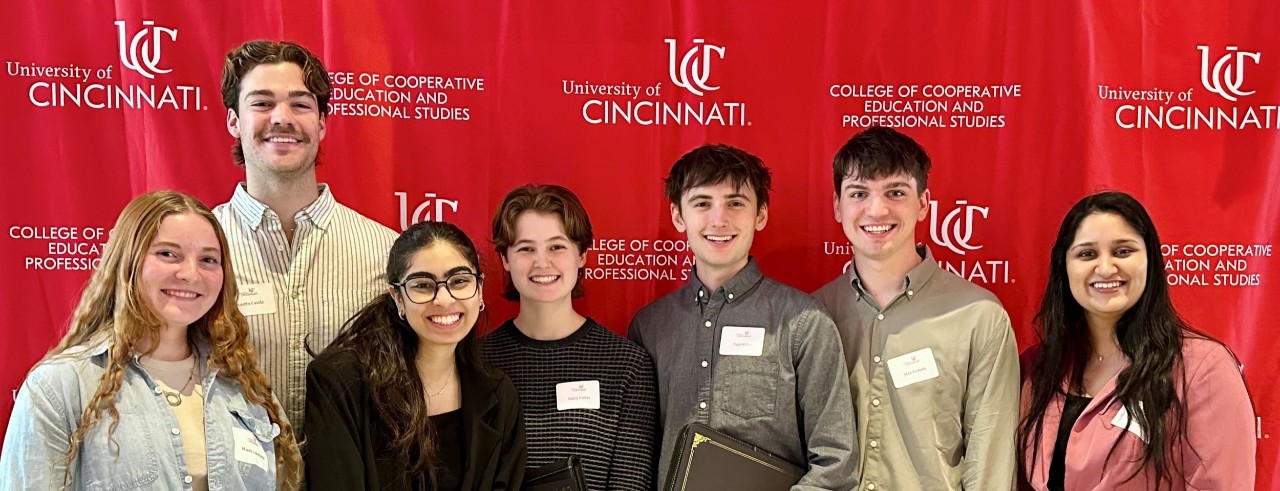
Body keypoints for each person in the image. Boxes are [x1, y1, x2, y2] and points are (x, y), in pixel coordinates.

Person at [0, 190, 300, 490]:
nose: (190, 274)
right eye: (168, 254)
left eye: (208, 259)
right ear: (129, 261)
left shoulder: (245, 386)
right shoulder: (61, 386)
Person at [628, 144, 858, 489]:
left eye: (735, 203)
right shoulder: (650, 326)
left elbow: (836, 461)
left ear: (760, 214)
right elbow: (636, 455)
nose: (719, 219)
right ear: (678, 216)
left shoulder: (803, 321)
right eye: (702, 203)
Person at [812, 126, 1019, 490]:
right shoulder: (813, 317)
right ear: (837, 206)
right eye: (859, 193)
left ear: (923, 204)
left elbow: (990, 466)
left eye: (895, 192)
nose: (877, 209)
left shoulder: (978, 317)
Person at [215, 39, 398, 429]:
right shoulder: (197, 252)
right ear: (234, 120)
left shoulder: (386, 252)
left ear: (321, 123)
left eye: (300, 104)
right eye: (262, 103)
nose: (282, 118)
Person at [1017, 191, 1255, 490]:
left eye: (1123, 251)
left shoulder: (1202, 369)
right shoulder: (1036, 367)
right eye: (1087, 254)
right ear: (1064, 267)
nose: (1105, 268)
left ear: (1150, 260)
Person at [304, 220, 525, 490]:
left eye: (459, 281)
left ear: (479, 290)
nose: (444, 299)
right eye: (422, 285)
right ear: (397, 297)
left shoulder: (498, 394)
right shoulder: (340, 381)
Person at [483, 184, 658, 489]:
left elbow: (631, 483)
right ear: (505, 259)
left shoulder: (627, 365)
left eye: (556, 247)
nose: (542, 262)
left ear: (582, 255)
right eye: (526, 248)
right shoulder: (478, 361)